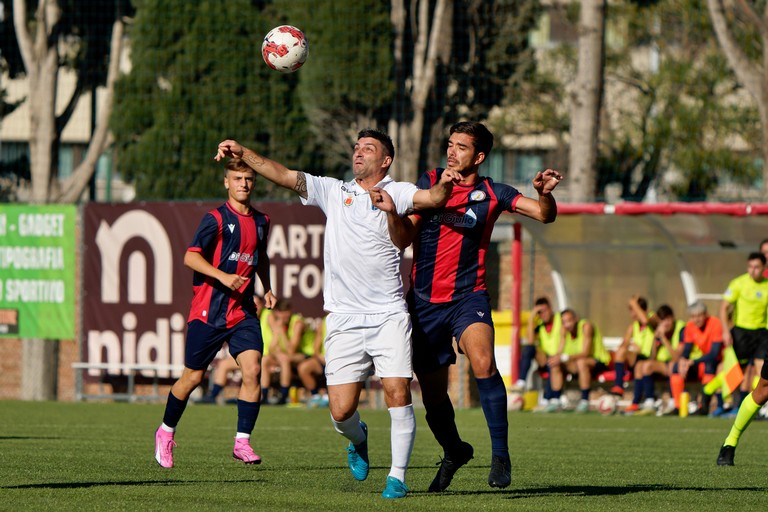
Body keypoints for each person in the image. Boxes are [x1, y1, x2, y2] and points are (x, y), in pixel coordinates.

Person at [215, 129, 461, 499]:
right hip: (344, 318)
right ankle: (357, 440)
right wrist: (244, 151)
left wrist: (442, 184)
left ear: (386, 160)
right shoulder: (334, 190)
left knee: (397, 391)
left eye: (369, 149)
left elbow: (432, 197)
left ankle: (397, 477)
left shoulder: (398, 191)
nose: (359, 153)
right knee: (341, 412)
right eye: (357, 147)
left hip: (388, 313)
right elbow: (284, 175)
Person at [372, 121, 562, 491]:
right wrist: (393, 212)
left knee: (483, 362)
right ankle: (454, 450)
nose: (452, 151)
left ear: (478, 156)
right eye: (450, 144)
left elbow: (544, 215)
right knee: (432, 393)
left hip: (468, 297)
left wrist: (543, 194)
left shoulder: (494, 193)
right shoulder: (427, 185)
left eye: (461, 146)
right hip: (424, 303)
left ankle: (501, 456)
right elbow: (402, 239)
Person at [154, 158, 277, 468]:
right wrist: (222, 277)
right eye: (237, 178)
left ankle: (242, 442)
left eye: (249, 178)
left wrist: (268, 287)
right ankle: (165, 433)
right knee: (192, 378)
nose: (244, 184)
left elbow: (260, 257)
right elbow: (190, 257)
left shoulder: (262, 221)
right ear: (227, 182)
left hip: (243, 311)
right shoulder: (215, 219)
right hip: (209, 311)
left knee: (253, 370)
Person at [719, 252, 768, 411]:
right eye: (750, 267)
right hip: (741, 332)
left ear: (763, 268)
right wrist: (726, 331)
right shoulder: (738, 283)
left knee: (762, 369)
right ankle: (735, 404)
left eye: (756, 267)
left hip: (762, 332)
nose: (753, 270)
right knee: (740, 371)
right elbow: (723, 308)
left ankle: (761, 406)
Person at [198, 295, 267, 405]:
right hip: (251, 354)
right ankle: (213, 396)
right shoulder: (245, 318)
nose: (256, 307)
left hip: (268, 356)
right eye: (253, 304)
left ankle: (264, 396)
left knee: (259, 365)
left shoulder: (268, 317)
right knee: (224, 364)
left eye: (258, 304)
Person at [545, 309, 610, 413]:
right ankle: (555, 400)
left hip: (598, 361)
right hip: (575, 363)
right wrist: (556, 358)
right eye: (564, 322)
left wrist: (564, 358)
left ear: (576, 319)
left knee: (582, 362)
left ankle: (585, 400)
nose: (567, 324)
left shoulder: (586, 327)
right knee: (555, 364)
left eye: (569, 320)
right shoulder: (564, 331)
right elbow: (560, 351)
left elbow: (585, 353)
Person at [668, 301, 723, 416]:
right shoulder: (690, 326)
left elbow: (714, 353)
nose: (696, 319)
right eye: (693, 317)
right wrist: (683, 361)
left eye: (699, 316)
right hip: (703, 361)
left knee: (709, 366)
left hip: (719, 361)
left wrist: (693, 361)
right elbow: (687, 349)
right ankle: (678, 407)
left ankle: (703, 407)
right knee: (676, 368)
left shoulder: (715, 323)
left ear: (705, 314)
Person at [260, 298, 315, 405]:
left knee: (284, 358)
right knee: (265, 360)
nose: (284, 316)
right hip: (287, 356)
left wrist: (280, 331)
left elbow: (291, 350)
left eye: (286, 312)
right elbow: (272, 349)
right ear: (277, 313)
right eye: (281, 313)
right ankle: (264, 396)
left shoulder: (297, 323)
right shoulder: (278, 322)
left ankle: (283, 396)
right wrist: (277, 335)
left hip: (304, 355)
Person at [514, 297, 561, 394]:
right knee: (528, 349)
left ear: (550, 309)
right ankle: (521, 382)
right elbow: (530, 342)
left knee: (553, 364)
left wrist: (560, 355)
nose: (542, 315)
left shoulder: (560, 320)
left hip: (560, 357)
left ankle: (549, 398)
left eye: (544, 311)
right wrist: (532, 318)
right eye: (539, 313)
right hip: (545, 359)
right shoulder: (540, 325)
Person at [610, 296, 654, 396]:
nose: (632, 314)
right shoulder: (633, 326)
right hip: (637, 358)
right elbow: (624, 344)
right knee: (621, 351)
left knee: (641, 365)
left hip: (650, 357)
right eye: (631, 311)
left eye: (634, 310)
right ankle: (618, 386)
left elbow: (645, 321)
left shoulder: (652, 317)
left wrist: (634, 303)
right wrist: (629, 344)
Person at [300, 316, 329, 407]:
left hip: (340, 360)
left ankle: (328, 396)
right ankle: (315, 396)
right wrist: (321, 357)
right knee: (304, 368)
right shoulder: (324, 321)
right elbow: (316, 348)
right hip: (324, 360)